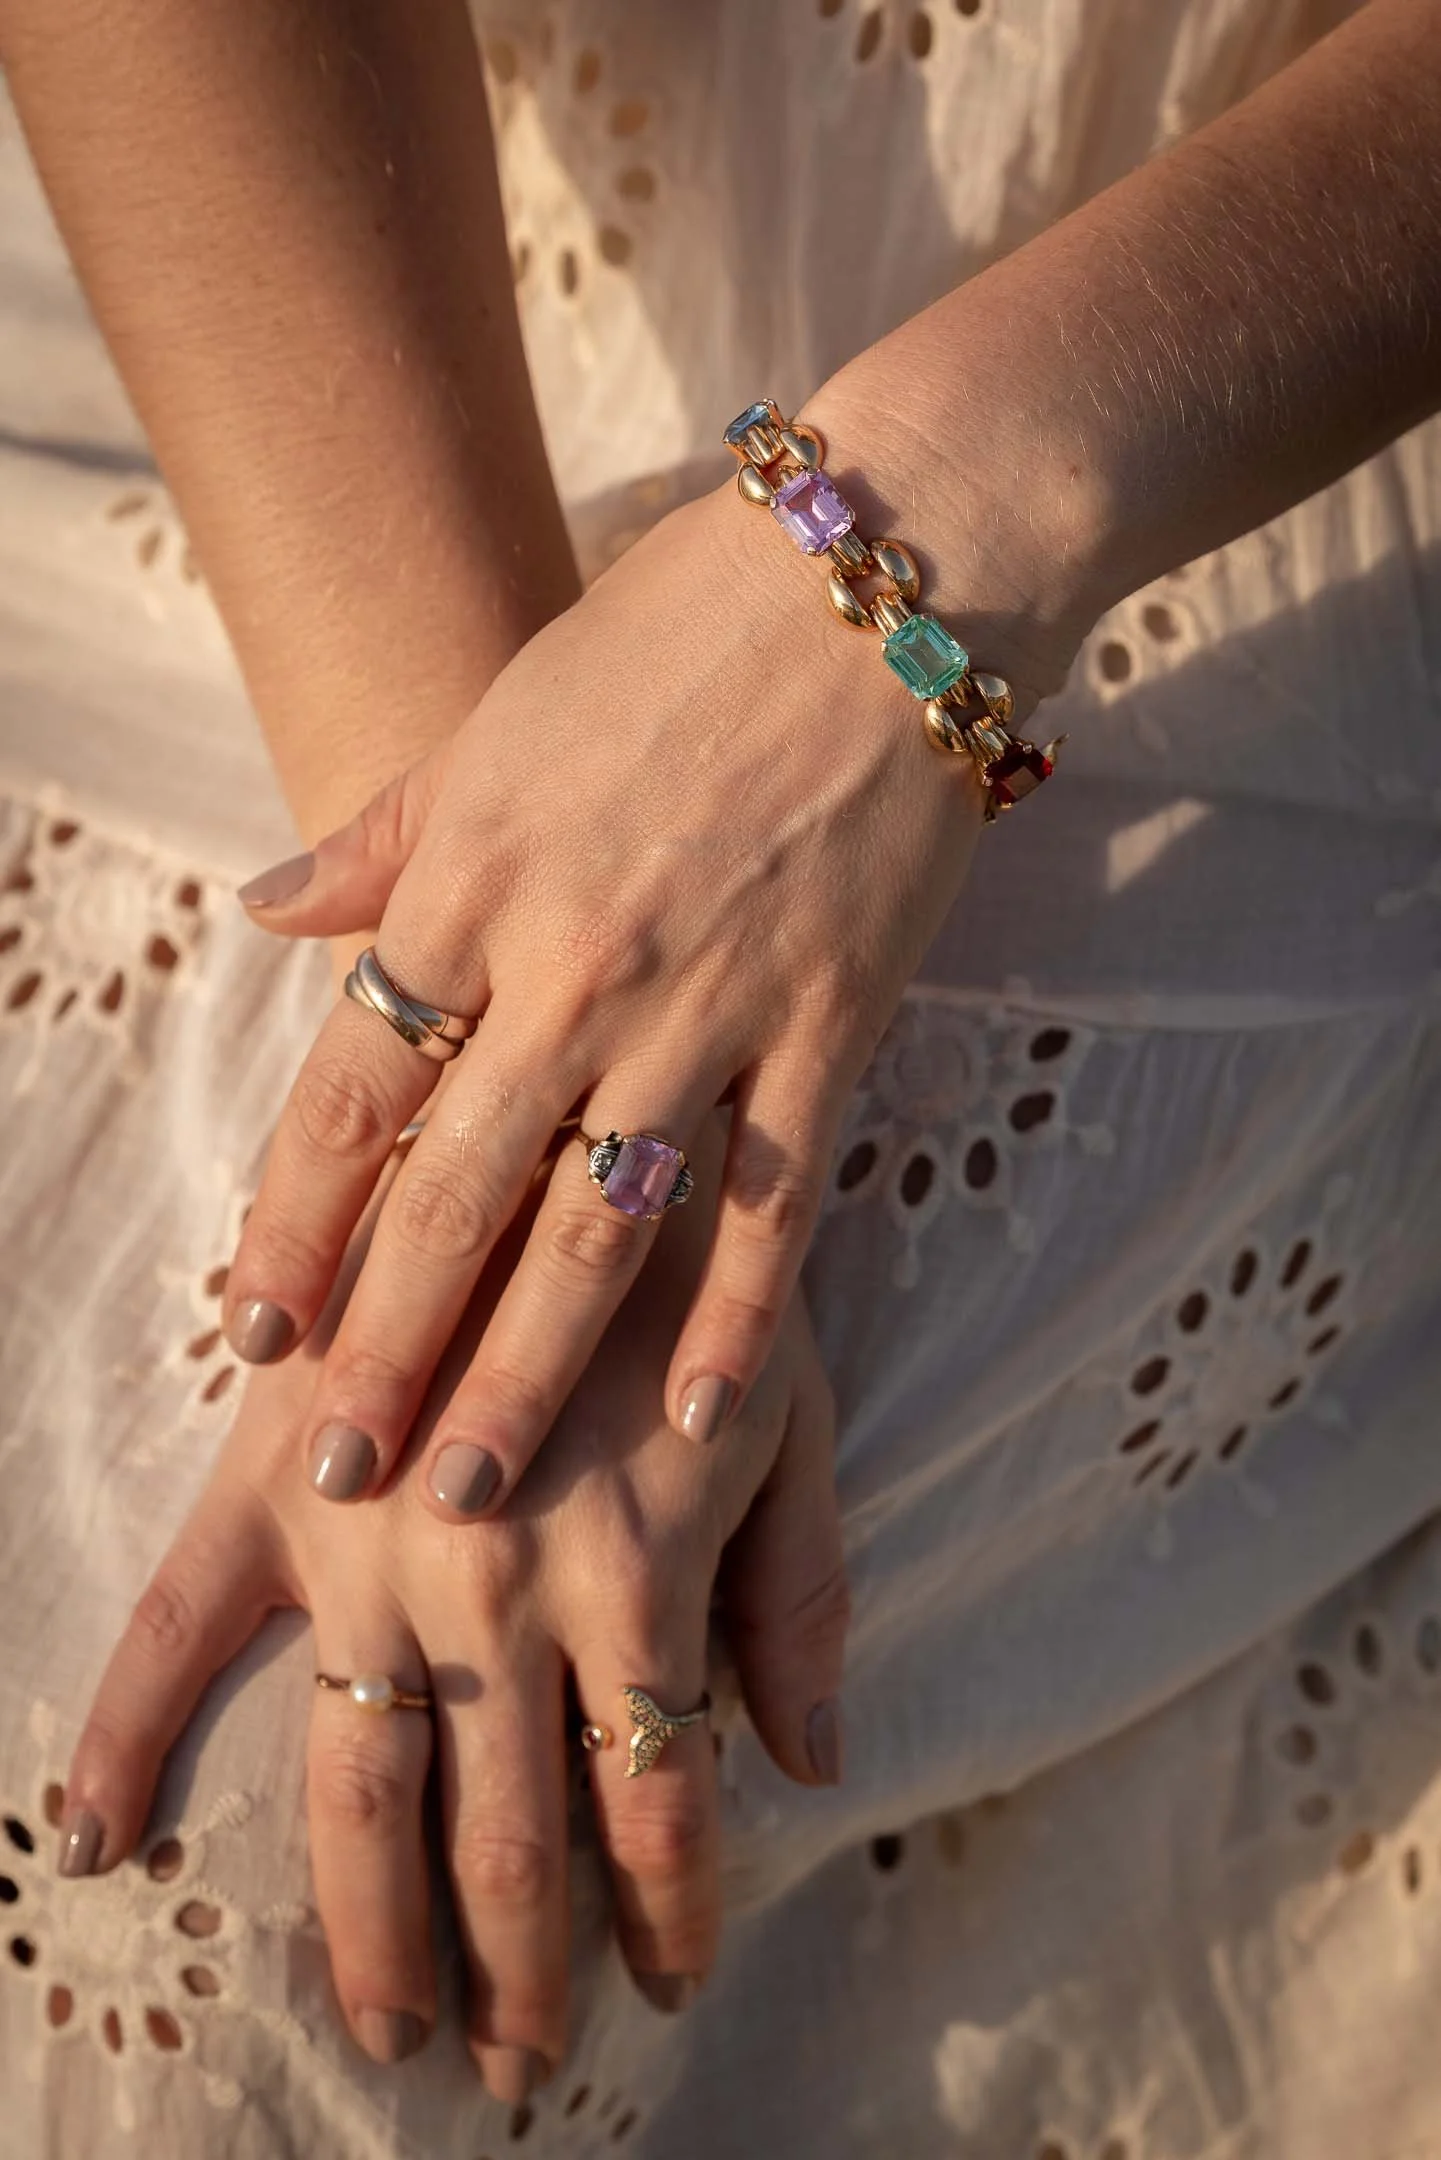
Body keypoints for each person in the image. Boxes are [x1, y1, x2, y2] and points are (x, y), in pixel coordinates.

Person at [1, 1, 1439, 2153]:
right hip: (326, 431)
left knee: (238, 1878)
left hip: (1241, 470)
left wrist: (916, 538)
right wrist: (516, 1052)